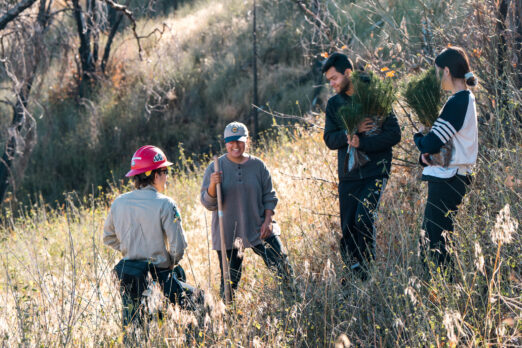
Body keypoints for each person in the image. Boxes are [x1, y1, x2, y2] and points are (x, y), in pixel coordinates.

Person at [322, 53, 401, 281]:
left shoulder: (375, 95)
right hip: (349, 175)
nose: (332, 83)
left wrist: (363, 142)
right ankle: (355, 277)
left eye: (334, 78)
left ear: (348, 73)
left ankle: (369, 274)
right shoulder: (334, 104)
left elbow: (394, 134)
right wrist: (351, 132)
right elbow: (329, 139)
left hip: (376, 171)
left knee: (364, 218)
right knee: (348, 228)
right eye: (329, 80)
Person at [104, 145, 202, 329]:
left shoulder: (118, 202)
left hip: (129, 277)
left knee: (135, 330)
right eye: (165, 171)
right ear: (155, 175)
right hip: (160, 276)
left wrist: (130, 248)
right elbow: (178, 247)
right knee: (203, 303)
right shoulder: (165, 203)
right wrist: (170, 261)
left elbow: (108, 237)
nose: (166, 177)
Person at [200, 121, 295, 299]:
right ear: (225, 142)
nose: (235, 146)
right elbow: (208, 203)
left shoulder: (258, 166)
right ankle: (226, 317)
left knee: (283, 267)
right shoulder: (215, 167)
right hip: (228, 232)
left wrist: (268, 222)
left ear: (247, 141)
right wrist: (213, 184)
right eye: (231, 141)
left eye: (240, 141)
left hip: (259, 226)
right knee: (230, 282)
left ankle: (295, 301)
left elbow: (269, 197)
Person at [414, 46, 478, 269]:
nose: (437, 77)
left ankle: (443, 286)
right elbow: (448, 144)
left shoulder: (458, 102)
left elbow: (432, 142)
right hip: (452, 175)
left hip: (449, 179)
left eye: (438, 72)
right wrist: (428, 156)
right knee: (436, 235)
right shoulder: (462, 100)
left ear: (447, 71)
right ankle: (441, 286)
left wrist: (419, 140)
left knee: (435, 239)